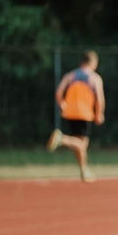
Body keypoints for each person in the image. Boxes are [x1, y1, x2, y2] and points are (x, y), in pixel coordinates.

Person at [46, 50, 106, 183]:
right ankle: (61, 139)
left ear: (81, 62)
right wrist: (99, 114)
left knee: (78, 143)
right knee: (82, 144)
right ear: (93, 62)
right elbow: (100, 99)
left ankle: (84, 171)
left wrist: (62, 104)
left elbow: (59, 92)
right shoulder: (94, 78)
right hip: (84, 113)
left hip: (70, 112)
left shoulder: (70, 75)